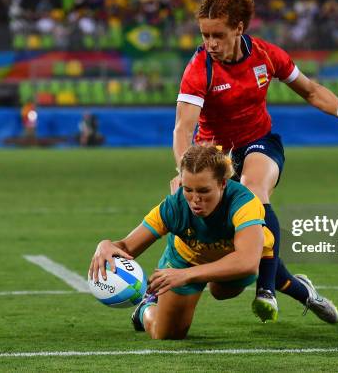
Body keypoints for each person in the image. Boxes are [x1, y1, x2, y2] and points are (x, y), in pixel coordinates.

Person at [172, 0, 338, 323]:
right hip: (213, 159)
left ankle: (266, 291)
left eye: (218, 35)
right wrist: (186, 176)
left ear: (238, 29)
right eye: (204, 35)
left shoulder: (266, 55)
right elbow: (183, 128)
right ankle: (298, 289)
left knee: (256, 190)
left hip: (260, 142)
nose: (210, 44)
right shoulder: (199, 69)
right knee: (222, 286)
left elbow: (311, 90)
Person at [89, 145, 305, 339]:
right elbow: (127, 247)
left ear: (223, 184)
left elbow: (247, 262)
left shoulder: (244, 203)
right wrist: (105, 245)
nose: (194, 199)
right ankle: (146, 307)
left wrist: (186, 276)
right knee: (166, 334)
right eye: (188, 190)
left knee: (222, 292)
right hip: (185, 259)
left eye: (203, 191)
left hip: (230, 260)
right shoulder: (173, 206)